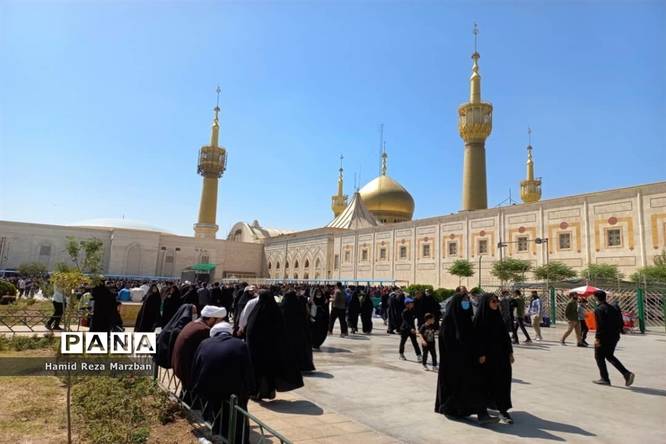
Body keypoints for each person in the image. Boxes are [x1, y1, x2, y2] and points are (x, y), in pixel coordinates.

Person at [435, 293, 497, 424]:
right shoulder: (449, 322)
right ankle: (453, 409)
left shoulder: (467, 320)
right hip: (455, 365)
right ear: (456, 304)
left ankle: (482, 414)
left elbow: (473, 339)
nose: (466, 303)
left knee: (475, 386)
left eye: (467, 300)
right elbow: (447, 346)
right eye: (463, 301)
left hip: (469, 361)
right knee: (463, 388)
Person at [190, 321, 255, 443]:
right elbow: (248, 371)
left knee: (218, 413)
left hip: (208, 391)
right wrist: (250, 390)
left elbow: (195, 367)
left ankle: (218, 433)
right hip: (232, 393)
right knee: (237, 414)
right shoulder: (240, 345)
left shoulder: (204, 343)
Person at [245, 289, 303, 400]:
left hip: (257, 350)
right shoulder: (276, 311)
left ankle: (257, 392)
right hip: (272, 349)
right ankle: (269, 391)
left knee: (258, 371)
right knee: (269, 371)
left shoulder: (256, 312)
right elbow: (281, 331)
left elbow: (250, 331)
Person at [172, 305, 228, 402]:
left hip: (180, 367)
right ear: (212, 319)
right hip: (187, 372)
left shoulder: (193, 324)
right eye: (219, 321)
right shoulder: (204, 330)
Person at [475, 294, 515, 424]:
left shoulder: (498, 317)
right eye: (493, 301)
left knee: (503, 382)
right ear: (486, 303)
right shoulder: (480, 319)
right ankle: (484, 410)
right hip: (487, 358)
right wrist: (480, 354)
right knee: (487, 383)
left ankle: (503, 410)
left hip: (501, 356)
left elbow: (505, 337)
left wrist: (510, 353)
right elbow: (477, 338)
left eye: (497, 301)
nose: (496, 303)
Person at [592, 290, 635, 386]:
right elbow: (620, 321)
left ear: (596, 298)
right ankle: (626, 374)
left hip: (604, 337)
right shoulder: (614, 307)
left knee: (599, 357)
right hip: (615, 336)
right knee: (609, 355)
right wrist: (621, 330)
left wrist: (597, 338)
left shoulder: (599, 309)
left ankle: (605, 379)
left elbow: (600, 325)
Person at [280, 290, 315, 372]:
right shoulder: (299, 306)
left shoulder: (283, 307)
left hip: (288, 334)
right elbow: (305, 317)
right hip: (300, 333)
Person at [155, 304, 196, 369]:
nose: (195, 315)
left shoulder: (175, 324)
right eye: (194, 312)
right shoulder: (180, 326)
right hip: (167, 358)